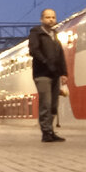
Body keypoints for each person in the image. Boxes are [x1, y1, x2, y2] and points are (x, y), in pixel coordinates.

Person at [28, 8, 68, 143]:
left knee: (53, 105)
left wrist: (64, 72)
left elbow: (60, 54)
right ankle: (45, 132)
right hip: (42, 74)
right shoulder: (36, 32)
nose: (51, 19)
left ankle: (50, 130)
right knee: (46, 102)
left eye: (53, 17)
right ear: (42, 19)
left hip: (55, 74)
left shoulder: (54, 34)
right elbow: (34, 50)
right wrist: (46, 62)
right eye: (48, 17)